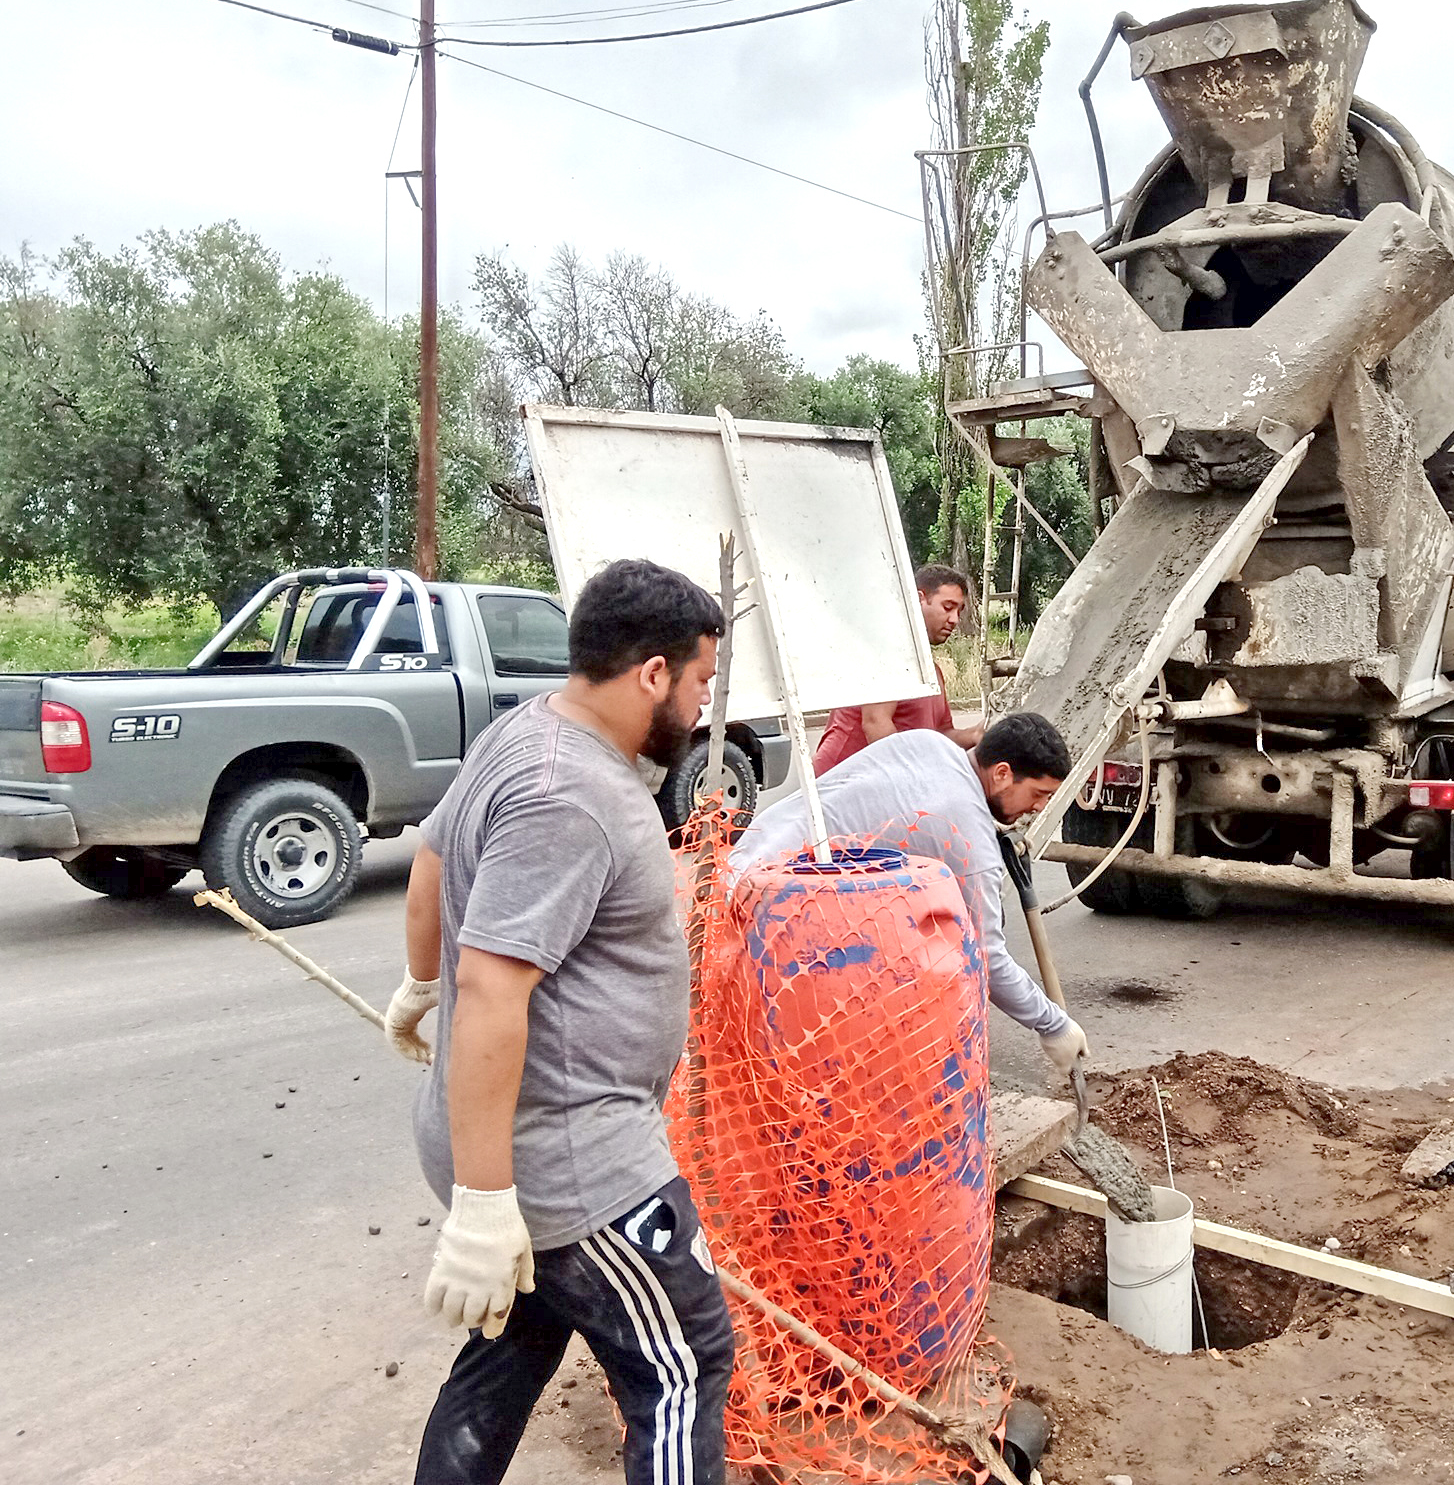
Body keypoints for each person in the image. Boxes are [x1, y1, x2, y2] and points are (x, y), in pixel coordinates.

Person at [383, 557, 735, 1485]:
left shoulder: (528, 731)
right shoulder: (569, 793)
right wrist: (488, 1205)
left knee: (520, 1338)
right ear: (651, 673)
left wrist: (422, 982)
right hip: (573, 1164)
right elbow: (497, 989)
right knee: (683, 1363)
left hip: (526, 1153)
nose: (703, 705)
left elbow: (431, 862)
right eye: (700, 680)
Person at [728, 713, 1088, 1073]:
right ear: (1003, 774)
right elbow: (987, 957)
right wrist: (1053, 1025)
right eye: (1039, 794)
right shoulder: (969, 837)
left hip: (747, 856)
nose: (1039, 807)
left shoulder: (928, 743)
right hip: (773, 901)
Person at [813, 564, 982, 774]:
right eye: (948, 607)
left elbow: (940, 734)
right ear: (919, 599)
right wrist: (911, 780)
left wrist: (976, 734)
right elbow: (875, 723)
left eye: (959, 610)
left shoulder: (932, 672)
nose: (955, 619)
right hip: (841, 781)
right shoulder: (887, 654)